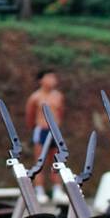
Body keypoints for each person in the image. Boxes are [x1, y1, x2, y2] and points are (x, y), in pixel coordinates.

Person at [24, 70, 64, 203]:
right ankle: (39, 190)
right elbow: (29, 116)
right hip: (41, 130)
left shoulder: (58, 96)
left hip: (55, 131)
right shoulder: (35, 97)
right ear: (41, 80)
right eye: (49, 77)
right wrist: (34, 128)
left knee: (57, 161)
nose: (52, 80)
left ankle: (57, 189)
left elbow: (60, 113)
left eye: (54, 77)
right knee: (39, 161)